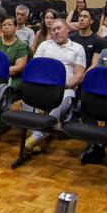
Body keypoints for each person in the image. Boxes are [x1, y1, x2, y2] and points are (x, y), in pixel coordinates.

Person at [27, 19, 88, 151]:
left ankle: (38, 135)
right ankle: (41, 134)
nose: (56, 32)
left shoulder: (77, 48)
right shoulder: (44, 45)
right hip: (43, 85)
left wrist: (63, 86)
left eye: (59, 28)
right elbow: (35, 67)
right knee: (25, 97)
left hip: (65, 88)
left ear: (67, 30)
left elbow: (79, 75)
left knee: (63, 98)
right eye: (53, 29)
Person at [0, 15, 31, 143]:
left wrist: (0, 71)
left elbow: (19, 67)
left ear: (15, 27)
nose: (7, 27)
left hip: (13, 78)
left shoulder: (21, 45)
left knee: (2, 94)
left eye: (10, 24)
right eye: (4, 24)